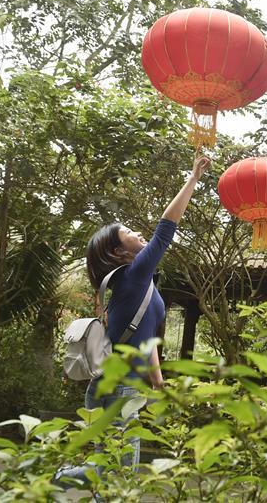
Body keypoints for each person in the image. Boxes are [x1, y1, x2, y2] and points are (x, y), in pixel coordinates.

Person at [54, 154, 211, 489]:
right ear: (115, 251)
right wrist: (193, 179)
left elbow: (146, 340)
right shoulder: (132, 276)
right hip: (117, 389)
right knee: (119, 472)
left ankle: (66, 479)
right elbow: (165, 230)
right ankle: (62, 477)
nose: (137, 232)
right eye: (127, 231)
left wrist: (158, 384)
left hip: (119, 387)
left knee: (111, 468)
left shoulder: (143, 284)